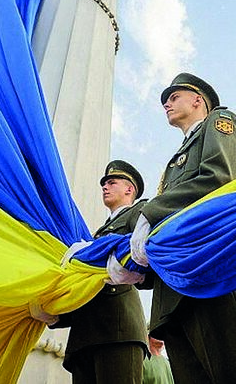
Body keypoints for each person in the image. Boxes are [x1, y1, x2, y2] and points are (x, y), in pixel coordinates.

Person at [130, 73, 236, 384]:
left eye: (174, 96)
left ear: (198, 99)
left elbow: (218, 177)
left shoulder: (219, 121)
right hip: (175, 288)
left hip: (214, 271)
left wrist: (151, 212)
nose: (167, 103)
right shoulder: (174, 160)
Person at [52, 160, 149, 384]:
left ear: (129, 189)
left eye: (112, 182)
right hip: (85, 335)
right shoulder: (95, 236)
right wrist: (57, 314)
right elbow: (86, 285)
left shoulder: (140, 214)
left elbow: (144, 252)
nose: (105, 187)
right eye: (104, 184)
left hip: (117, 328)